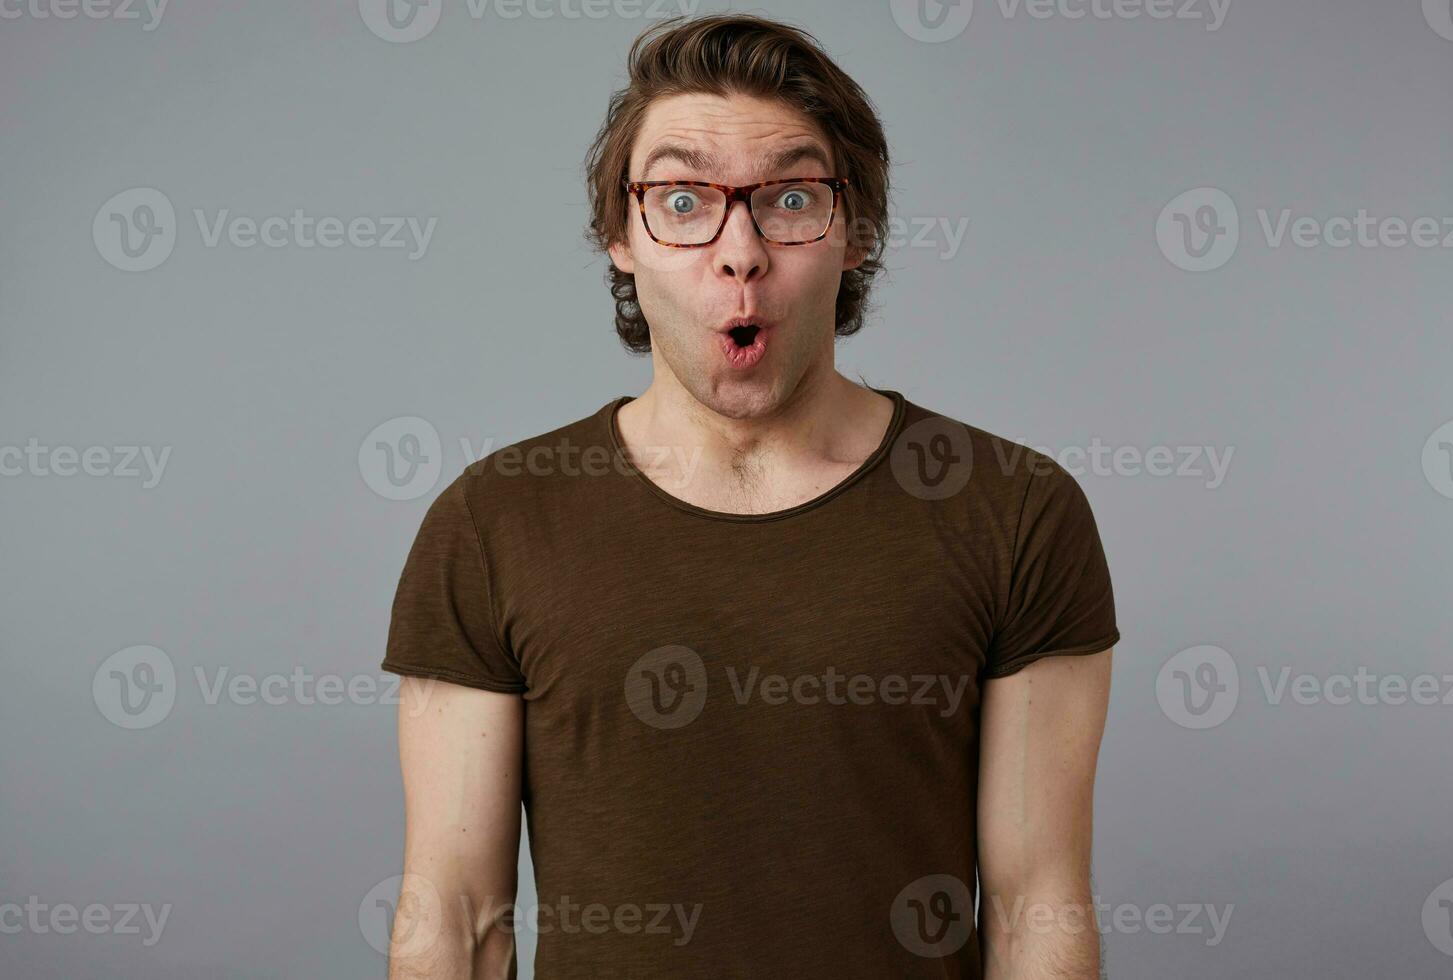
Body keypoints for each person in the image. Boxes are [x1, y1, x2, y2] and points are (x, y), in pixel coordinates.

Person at [380, 13, 1119, 978]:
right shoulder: (492, 524)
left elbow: (1038, 915)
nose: (741, 252)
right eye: (683, 201)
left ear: (853, 233)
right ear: (620, 236)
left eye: (791, 198)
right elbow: (456, 921)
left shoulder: (1017, 512)